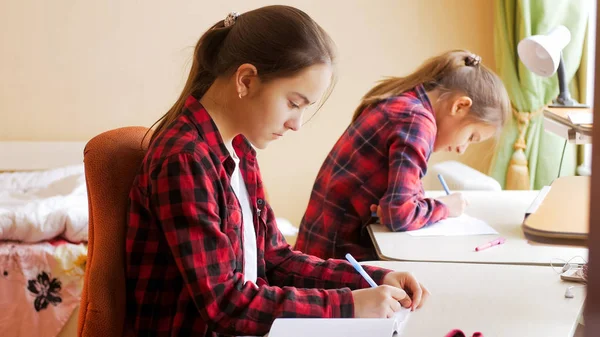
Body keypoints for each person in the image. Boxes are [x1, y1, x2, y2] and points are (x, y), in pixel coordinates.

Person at [125, 6, 428, 337]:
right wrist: (351, 306)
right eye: (293, 103)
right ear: (246, 81)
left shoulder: (239, 150)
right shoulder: (185, 160)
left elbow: (275, 258)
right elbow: (225, 304)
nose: (296, 124)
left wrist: (371, 279)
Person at [295, 50, 511, 261]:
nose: (462, 148)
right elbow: (399, 214)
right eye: (471, 137)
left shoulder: (402, 101)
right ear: (460, 106)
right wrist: (445, 207)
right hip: (334, 265)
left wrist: (404, 207)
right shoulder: (416, 121)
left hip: (316, 252)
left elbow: (399, 203)